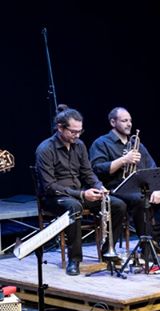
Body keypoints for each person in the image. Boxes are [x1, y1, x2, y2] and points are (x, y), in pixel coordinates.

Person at [36, 108, 127, 276]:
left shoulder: (80, 145)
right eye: (73, 131)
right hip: (54, 197)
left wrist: (99, 187)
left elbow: (87, 172)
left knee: (117, 205)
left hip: (78, 194)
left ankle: (108, 252)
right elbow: (49, 185)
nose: (77, 135)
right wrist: (82, 194)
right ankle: (75, 259)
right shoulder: (45, 149)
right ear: (60, 128)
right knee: (74, 207)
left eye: (80, 131)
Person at [88, 107, 160, 247]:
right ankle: (147, 247)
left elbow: (152, 168)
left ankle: (153, 238)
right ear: (113, 122)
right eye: (124, 120)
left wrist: (157, 188)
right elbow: (98, 169)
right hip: (118, 188)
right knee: (140, 200)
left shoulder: (138, 145)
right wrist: (124, 160)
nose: (129, 124)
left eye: (130, 120)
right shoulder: (101, 143)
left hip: (142, 187)